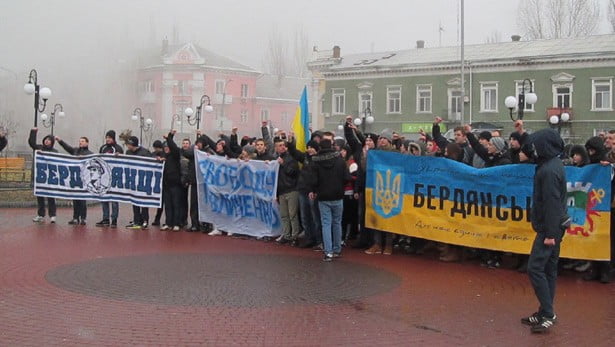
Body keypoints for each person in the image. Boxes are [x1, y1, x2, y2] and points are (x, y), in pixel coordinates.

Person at [522, 128, 568, 333]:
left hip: (550, 228)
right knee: (548, 269)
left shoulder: (548, 171)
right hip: (555, 225)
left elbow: (551, 203)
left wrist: (550, 234)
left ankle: (548, 314)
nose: (533, 150)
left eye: (535, 146)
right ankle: (544, 311)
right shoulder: (552, 164)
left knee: (535, 268)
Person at [308, 138, 351, 261]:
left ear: (320, 148)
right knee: (337, 223)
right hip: (338, 195)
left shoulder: (316, 162)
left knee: (326, 224)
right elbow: (347, 177)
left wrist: (314, 189)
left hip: (323, 196)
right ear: (332, 146)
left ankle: (328, 252)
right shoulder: (340, 161)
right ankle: (337, 249)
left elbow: (314, 180)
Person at [56, 135, 93, 225]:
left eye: (83, 141)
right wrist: (60, 141)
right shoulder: (75, 151)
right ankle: (75, 218)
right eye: (80, 141)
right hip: (75, 178)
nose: (81, 142)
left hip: (84, 180)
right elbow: (67, 147)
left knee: (82, 200)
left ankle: (83, 218)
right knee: (75, 199)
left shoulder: (90, 153)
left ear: (87, 143)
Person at [28, 127, 58, 223]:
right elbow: (31, 143)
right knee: (40, 196)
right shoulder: (39, 148)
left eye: (49, 140)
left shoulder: (54, 152)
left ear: (52, 142)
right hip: (40, 177)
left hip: (49, 178)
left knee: (51, 197)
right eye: (46, 139)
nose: (47, 141)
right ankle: (41, 214)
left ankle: (52, 215)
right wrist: (33, 132)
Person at [96, 130, 123, 228]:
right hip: (104, 177)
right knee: (104, 199)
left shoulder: (118, 148)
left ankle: (114, 219)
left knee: (114, 200)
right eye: (107, 137)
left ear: (113, 138)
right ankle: (105, 219)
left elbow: (123, 161)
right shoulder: (103, 147)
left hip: (114, 177)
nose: (108, 139)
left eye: (110, 138)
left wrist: (119, 156)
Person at [124, 136, 152, 229]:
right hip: (133, 180)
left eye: (129, 144)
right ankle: (136, 220)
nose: (127, 146)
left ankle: (145, 220)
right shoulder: (128, 152)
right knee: (134, 201)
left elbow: (151, 164)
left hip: (143, 180)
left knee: (144, 201)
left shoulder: (145, 152)